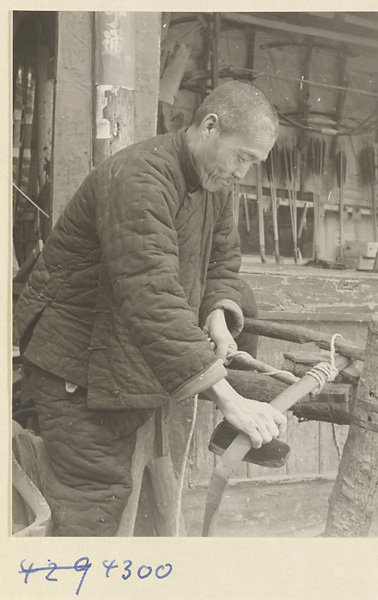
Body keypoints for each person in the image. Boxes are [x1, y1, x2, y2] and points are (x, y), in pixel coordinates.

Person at [13, 80, 287, 536]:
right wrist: (229, 399)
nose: (245, 173)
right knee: (92, 499)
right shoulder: (140, 176)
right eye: (243, 157)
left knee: (129, 497)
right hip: (78, 361)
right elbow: (150, 294)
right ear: (210, 127)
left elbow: (222, 260)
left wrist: (218, 315)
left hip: (124, 353)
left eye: (255, 164)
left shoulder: (215, 183)